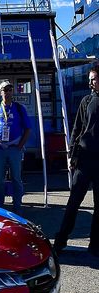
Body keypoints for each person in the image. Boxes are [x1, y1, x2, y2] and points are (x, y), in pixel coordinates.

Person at [54, 66, 99, 256]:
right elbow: (77, 128)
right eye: (89, 79)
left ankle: (95, 245)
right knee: (73, 202)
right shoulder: (86, 100)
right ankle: (60, 240)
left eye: (94, 79)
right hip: (84, 159)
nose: (90, 82)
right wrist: (72, 154)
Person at [0, 80, 31, 214]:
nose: (8, 92)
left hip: (14, 149)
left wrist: (20, 146)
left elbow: (28, 129)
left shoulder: (19, 108)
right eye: (5, 90)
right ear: (0, 93)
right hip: (0, 149)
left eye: (10, 89)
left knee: (16, 178)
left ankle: (17, 206)